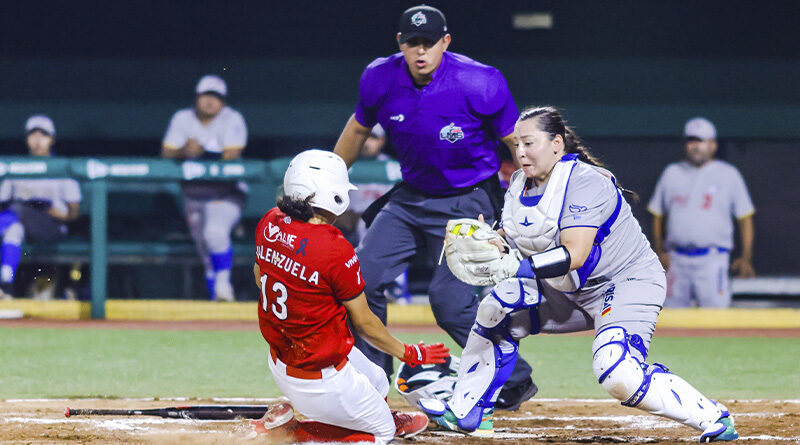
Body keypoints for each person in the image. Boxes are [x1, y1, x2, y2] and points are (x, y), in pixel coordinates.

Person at [418, 106, 739, 442]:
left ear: (557, 144)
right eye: (517, 145)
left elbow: (575, 253)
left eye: (529, 143)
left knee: (617, 373)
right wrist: (494, 242)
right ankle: (468, 410)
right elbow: (522, 240)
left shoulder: (587, 181)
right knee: (497, 306)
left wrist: (517, 266)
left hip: (626, 282)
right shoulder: (517, 183)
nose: (521, 152)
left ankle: (713, 418)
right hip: (569, 290)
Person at [333, 4, 536, 410]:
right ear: (400, 44)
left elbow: (518, 141)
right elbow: (358, 128)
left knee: (449, 304)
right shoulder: (379, 77)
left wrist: (538, 190)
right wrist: (329, 179)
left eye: (429, 42)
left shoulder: (479, 81)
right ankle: (373, 383)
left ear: (445, 42)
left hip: (469, 201)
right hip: (411, 197)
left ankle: (515, 379)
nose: (420, 51)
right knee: (360, 279)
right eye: (412, 43)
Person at [250, 149, 448, 443]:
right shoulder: (333, 247)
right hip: (319, 378)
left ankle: (363, 416)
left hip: (283, 359)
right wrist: (409, 353)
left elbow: (259, 274)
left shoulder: (269, 221)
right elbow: (366, 324)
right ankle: (294, 431)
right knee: (383, 435)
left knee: (379, 382)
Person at [648, 117, 755, 308]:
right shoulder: (672, 172)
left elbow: (745, 217)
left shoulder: (728, 174)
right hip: (676, 259)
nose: (696, 146)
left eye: (701, 141)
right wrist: (659, 250)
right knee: (670, 317)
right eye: (691, 140)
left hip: (713, 258)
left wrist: (746, 257)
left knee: (716, 317)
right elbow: (657, 214)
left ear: (713, 145)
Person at [161, 74, 248, 301]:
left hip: (225, 193)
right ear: (197, 98)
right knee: (206, 254)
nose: (210, 101)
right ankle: (218, 306)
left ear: (223, 101)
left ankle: (223, 287)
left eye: (216, 97)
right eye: (206, 96)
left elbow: (231, 154)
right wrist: (184, 151)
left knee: (215, 233)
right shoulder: (183, 118)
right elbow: (167, 151)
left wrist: (201, 152)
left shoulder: (232, 118)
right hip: (194, 195)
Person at [0, 115, 81, 300]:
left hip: (51, 226)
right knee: (14, 229)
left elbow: (74, 214)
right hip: (19, 226)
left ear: (51, 139)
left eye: (43, 135)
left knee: (21, 210)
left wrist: (56, 213)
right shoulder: (16, 168)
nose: (37, 141)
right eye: (32, 135)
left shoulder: (63, 169)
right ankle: (6, 286)